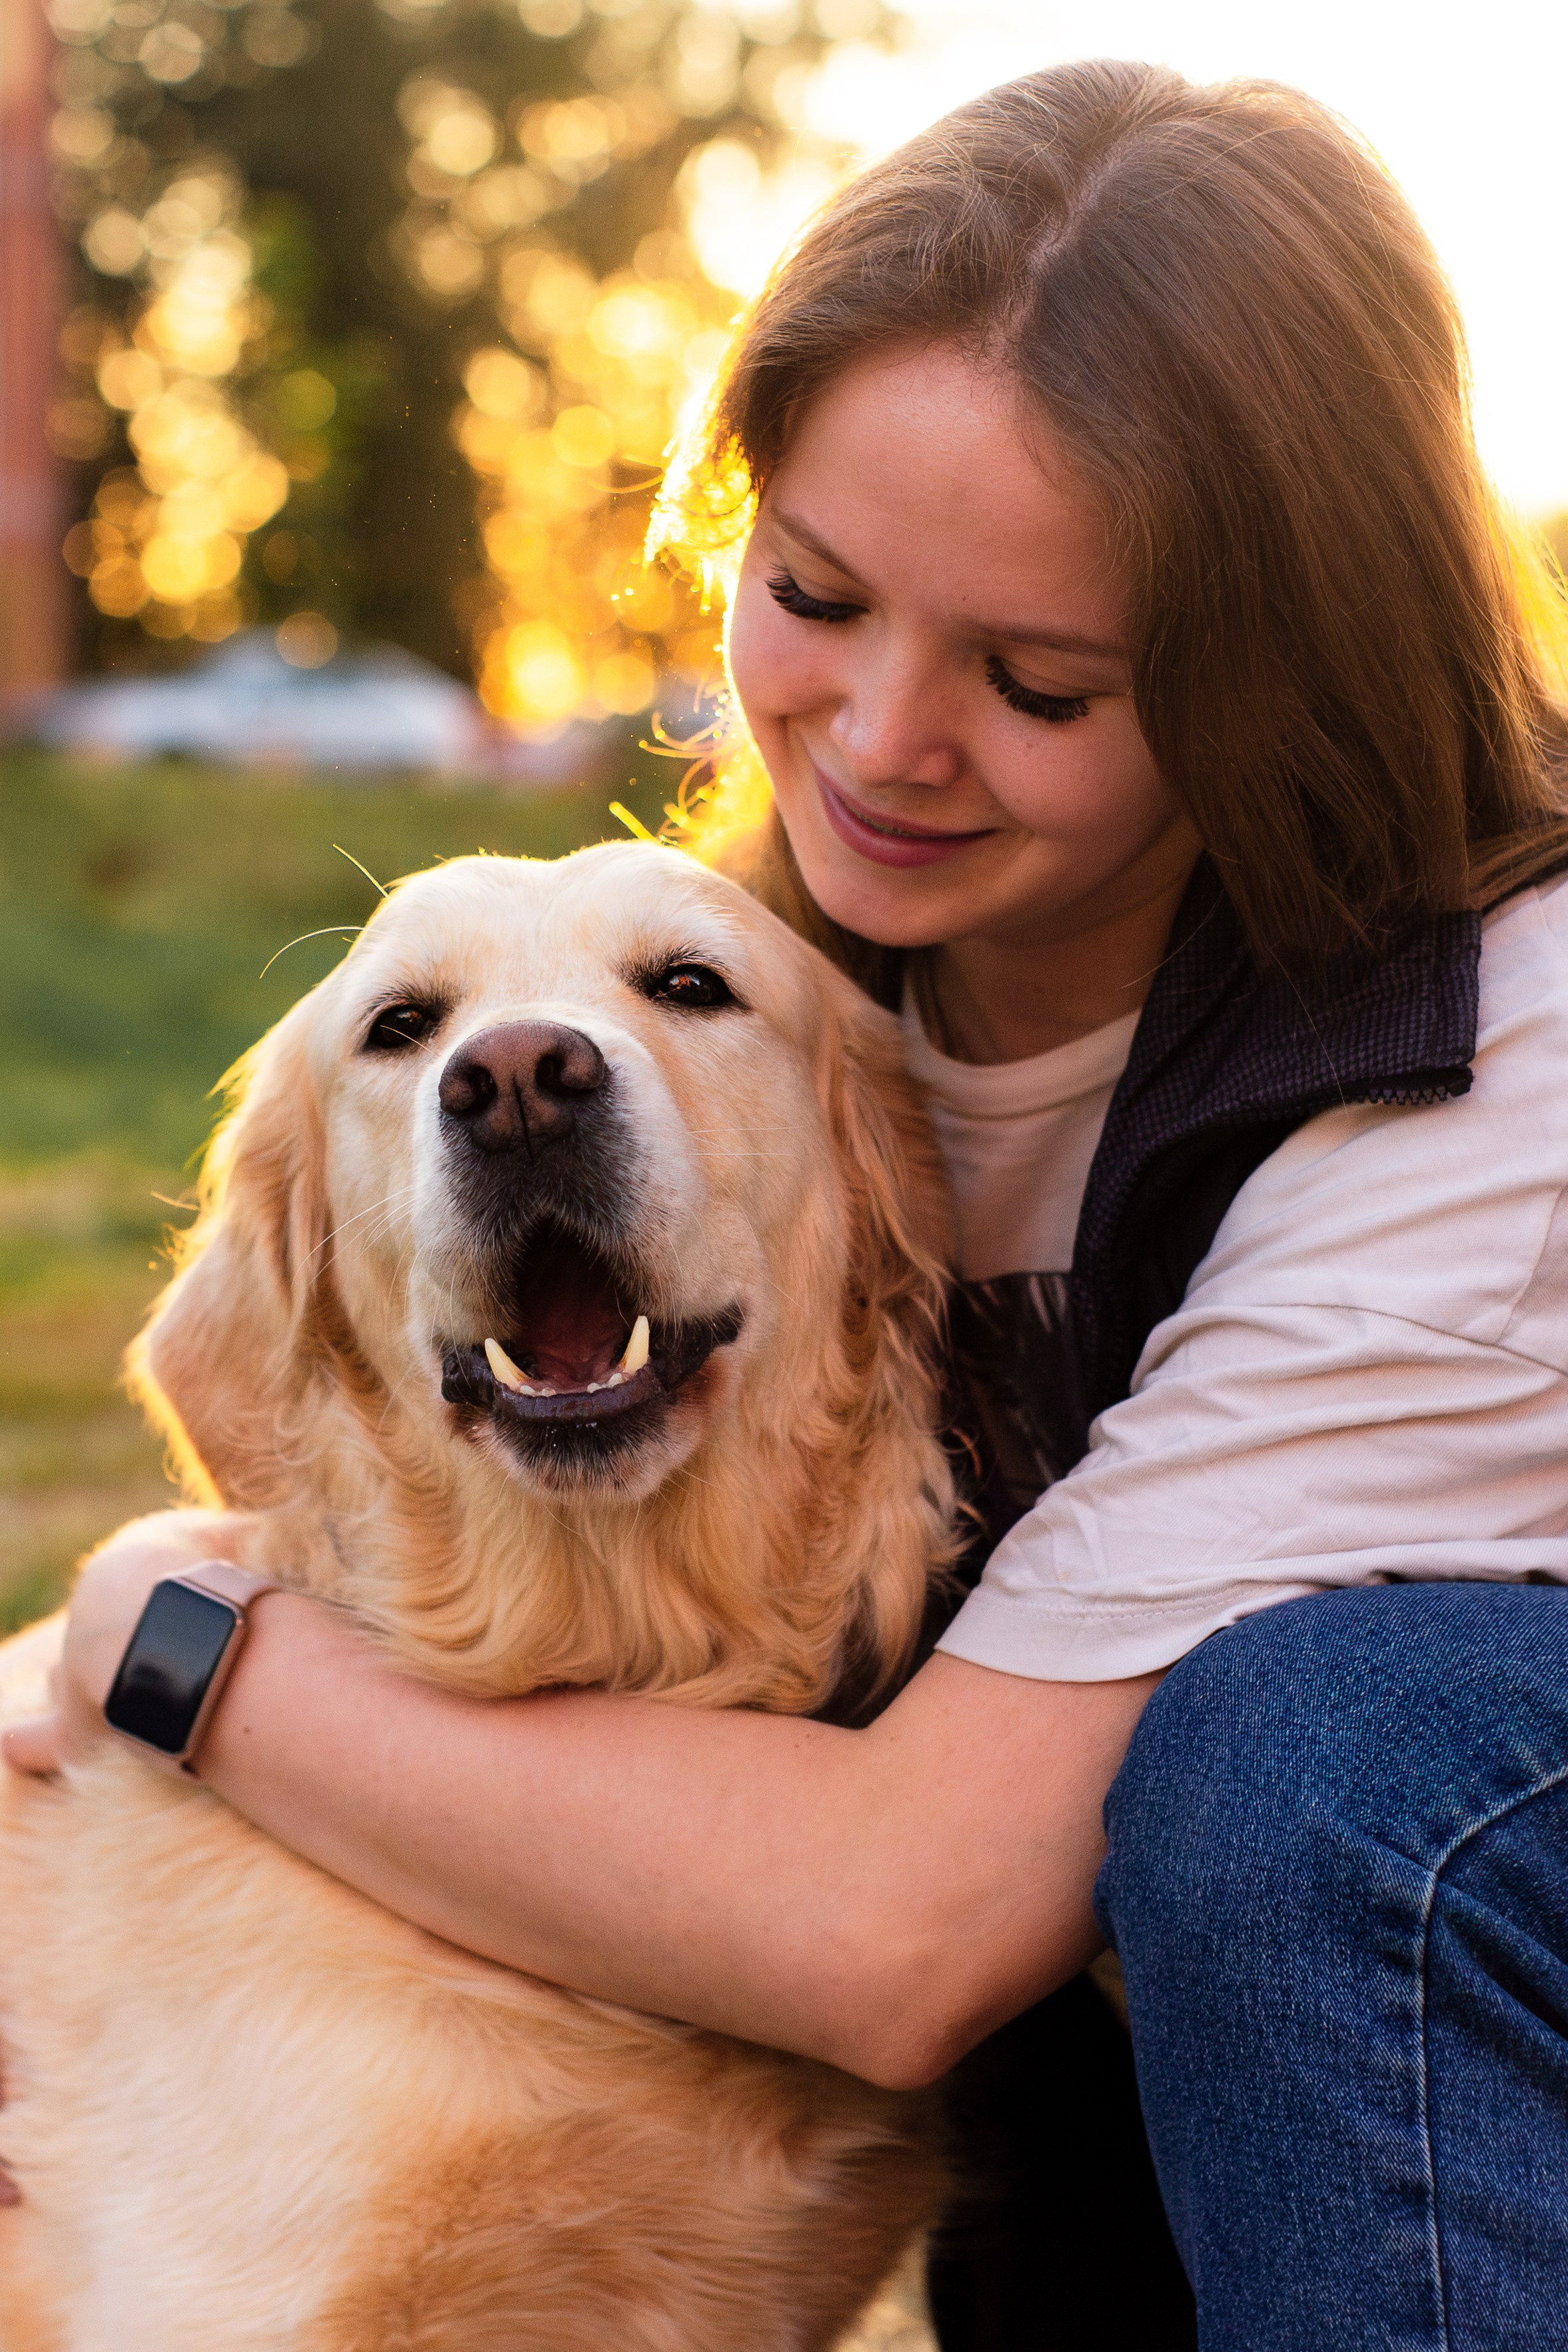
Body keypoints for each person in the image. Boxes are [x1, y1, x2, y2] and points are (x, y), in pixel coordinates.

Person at [9, 61, 1568, 2350]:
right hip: (1208, 2120)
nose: (873, 741)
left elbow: (902, 1918)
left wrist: (177, 1644)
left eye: (1036, 679)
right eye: (812, 594)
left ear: (1272, 682)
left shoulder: (1485, 1064)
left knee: (1300, 1747)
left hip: (1468, 1922)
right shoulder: (788, 991)